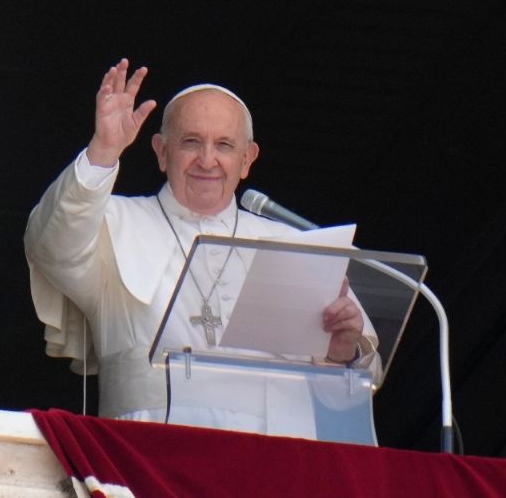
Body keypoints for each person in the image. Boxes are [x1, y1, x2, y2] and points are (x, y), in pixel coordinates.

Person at [25, 58, 378, 434]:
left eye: (224, 145)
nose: (207, 160)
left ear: (247, 160)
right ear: (161, 151)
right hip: (147, 449)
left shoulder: (293, 244)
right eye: (191, 142)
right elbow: (51, 244)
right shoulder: (113, 221)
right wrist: (103, 150)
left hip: (276, 457)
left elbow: (351, 388)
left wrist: (343, 351)